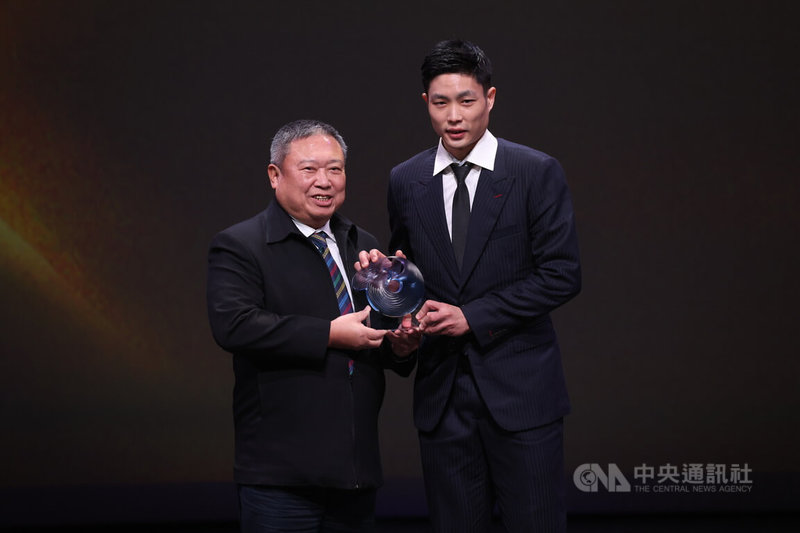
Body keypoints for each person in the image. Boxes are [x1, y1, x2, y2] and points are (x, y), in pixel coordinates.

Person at [382, 40, 581, 532]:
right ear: (425, 103)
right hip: (442, 396)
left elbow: (561, 273)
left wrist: (472, 317)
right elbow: (408, 275)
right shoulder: (406, 180)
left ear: (490, 98)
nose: (454, 116)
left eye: (466, 100)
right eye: (440, 102)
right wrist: (392, 296)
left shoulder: (533, 171)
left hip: (522, 393)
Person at [206, 119, 418, 533]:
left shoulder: (363, 245)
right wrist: (329, 334)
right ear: (275, 175)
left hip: (356, 473)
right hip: (281, 477)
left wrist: (402, 344)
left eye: (335, 169)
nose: (324, 181)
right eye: (309, 169)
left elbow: (376, 334)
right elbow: (235, 325)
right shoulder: (240, 245)